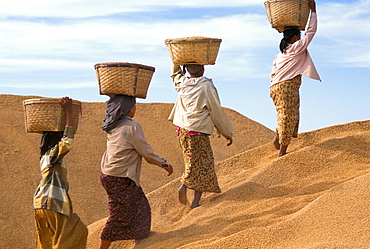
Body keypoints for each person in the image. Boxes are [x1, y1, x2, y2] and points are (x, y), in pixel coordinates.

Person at [99, 94, 173, 249]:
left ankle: (140, 243)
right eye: (134, 105)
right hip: (119, 176)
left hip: (109, 174)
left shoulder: (112, 125)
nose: (135, 108)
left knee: (141, 208)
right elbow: (145, 151)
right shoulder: (132, 127)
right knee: (119, 214)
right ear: (127, 108)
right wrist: (164, 164)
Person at [168, 63, 233, 209]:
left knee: (192, 161)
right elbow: (215, 110)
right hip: (197, 131)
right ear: (202, 69)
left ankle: (194, 198)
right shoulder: (206, 86)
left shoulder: (182, 82)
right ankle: (187, 189)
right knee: (204, 164)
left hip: (182, 130)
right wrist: (226, 132)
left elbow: (175, 75)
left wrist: (176, 61)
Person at [34, 97, 88, 249]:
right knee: (77, 232)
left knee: (46, 243)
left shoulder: (47, 157)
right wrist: (68, 110)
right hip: (52, 203)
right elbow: (68, 141)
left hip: (41, 204)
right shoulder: (51, 155)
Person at [270, 0, 321, 157]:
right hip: (287, 87)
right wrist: (313, 11)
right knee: (288, 116)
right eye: (298, 35)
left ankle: (279, 135)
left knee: (289, 114)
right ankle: (282, 151)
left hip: (276, 88)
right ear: (293, 38)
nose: (300, 37)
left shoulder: (280, 55)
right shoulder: (297, 48)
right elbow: (311, 32)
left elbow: (273, 74)